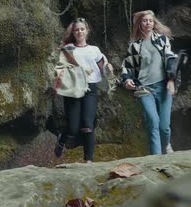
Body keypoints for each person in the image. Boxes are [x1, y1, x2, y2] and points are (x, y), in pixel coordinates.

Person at [53, 17, 112, 163]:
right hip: (73, 89)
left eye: (82, 29)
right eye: (76, 30)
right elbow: (60, 69)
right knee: (73, 127)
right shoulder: (67, 49)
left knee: (87, 124)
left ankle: (88, 161)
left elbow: (102, 67)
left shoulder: (94, 50)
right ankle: (61, 141)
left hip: (90, 88)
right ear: (73, 33)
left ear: (87, 31)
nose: (79, 32)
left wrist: (108, 69)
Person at [121, 10, 177, 155]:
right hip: (144, 89)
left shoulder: (162, 40)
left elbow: (171, 59)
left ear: (154, 23)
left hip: (163, 86)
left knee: (164, 127)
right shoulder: (135, 46)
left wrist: (171, 80)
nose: (148, 23)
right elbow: (126, 67)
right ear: (140, 23)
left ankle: (166, 147)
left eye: (150, 20)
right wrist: (127, 80)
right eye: (145, 20)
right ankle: (156, 160)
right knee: (153, 122)